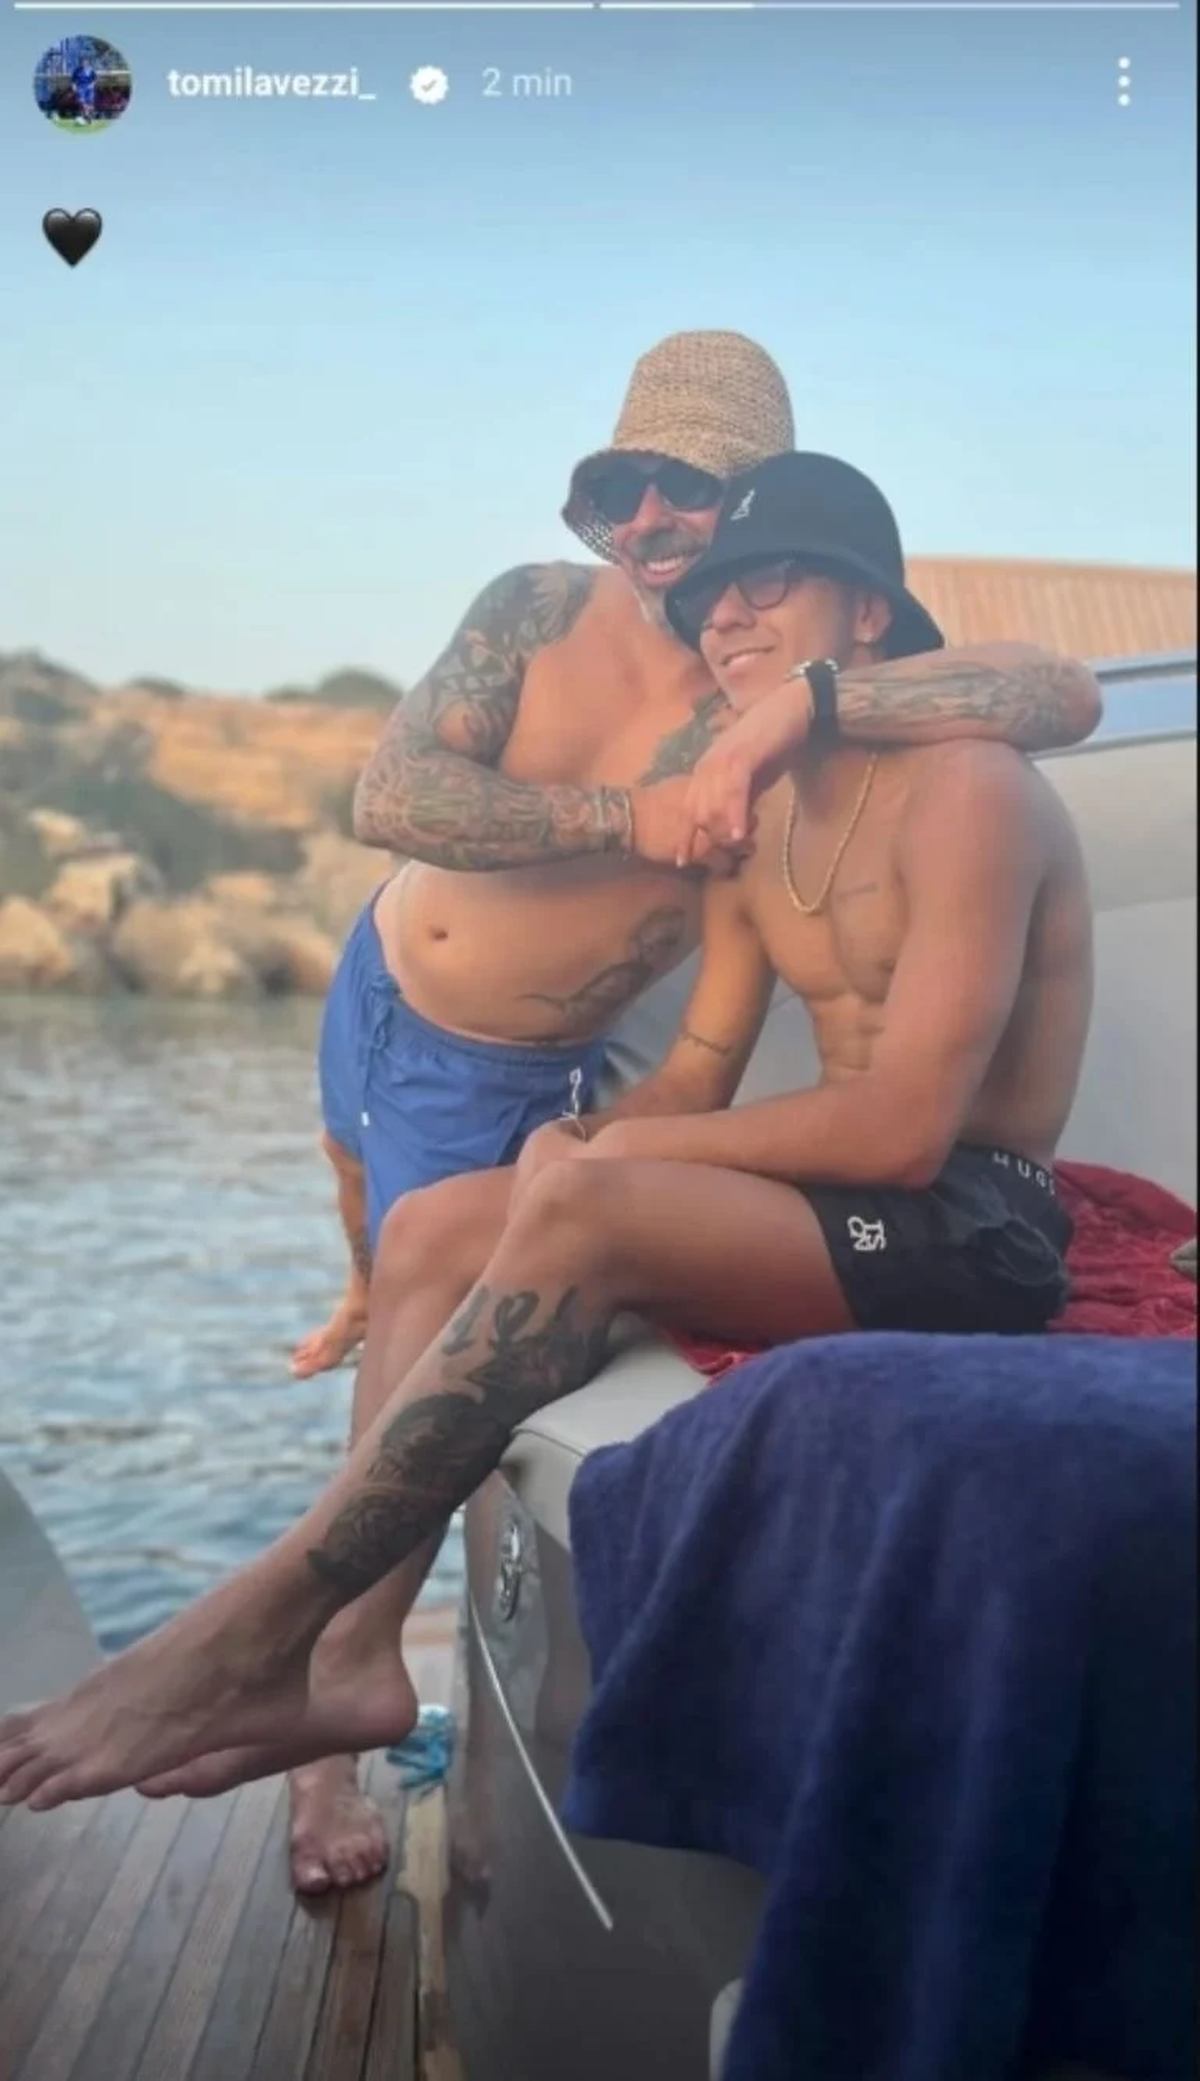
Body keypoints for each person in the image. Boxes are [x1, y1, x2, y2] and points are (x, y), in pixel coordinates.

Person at [0, 450, 1096, 1822]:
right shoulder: (763, 821)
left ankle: (243, 1627)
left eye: (767, 584)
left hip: (971, 1226)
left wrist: (607, 1167)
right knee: (433, 1226)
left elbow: (901, 1131)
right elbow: (695, 1073)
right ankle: (352, 1659)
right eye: (710, 600)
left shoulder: (970, 786)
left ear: (867, 612)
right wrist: (581, 1139)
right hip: (849, 1204)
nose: (726, 618)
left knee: (588, 1199)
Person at [280, 330, 1100, 1894]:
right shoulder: (540, 613)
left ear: (778, 526)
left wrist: (797, 707)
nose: (654, 528)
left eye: (694, 500)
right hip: (381, 988)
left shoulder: (856, 725)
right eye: (620, 490)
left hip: (562, 1076)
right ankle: (333, 1676)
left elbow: (1053, 691)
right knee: (399, 1256)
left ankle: (317, 1672)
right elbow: (391, 797)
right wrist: (633, 812)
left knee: (488, 1251)